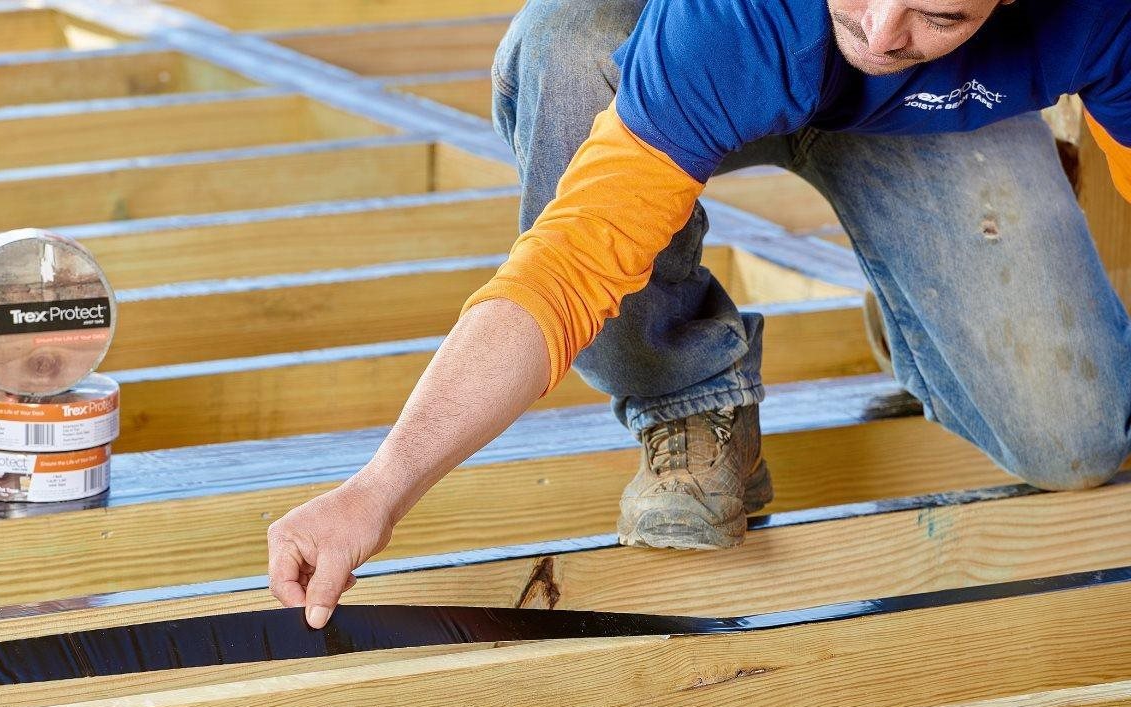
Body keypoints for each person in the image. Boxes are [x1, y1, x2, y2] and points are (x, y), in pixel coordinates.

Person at [268, 0, 1131, 629]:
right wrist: (378, 488)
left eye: (938, 13)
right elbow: (566, 271)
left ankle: (916, 298)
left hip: (938, 107)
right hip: (704, 50)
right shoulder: (731, 20)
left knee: (1075, 440)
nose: (879, 32)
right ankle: (686, 398)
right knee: (569, 44)